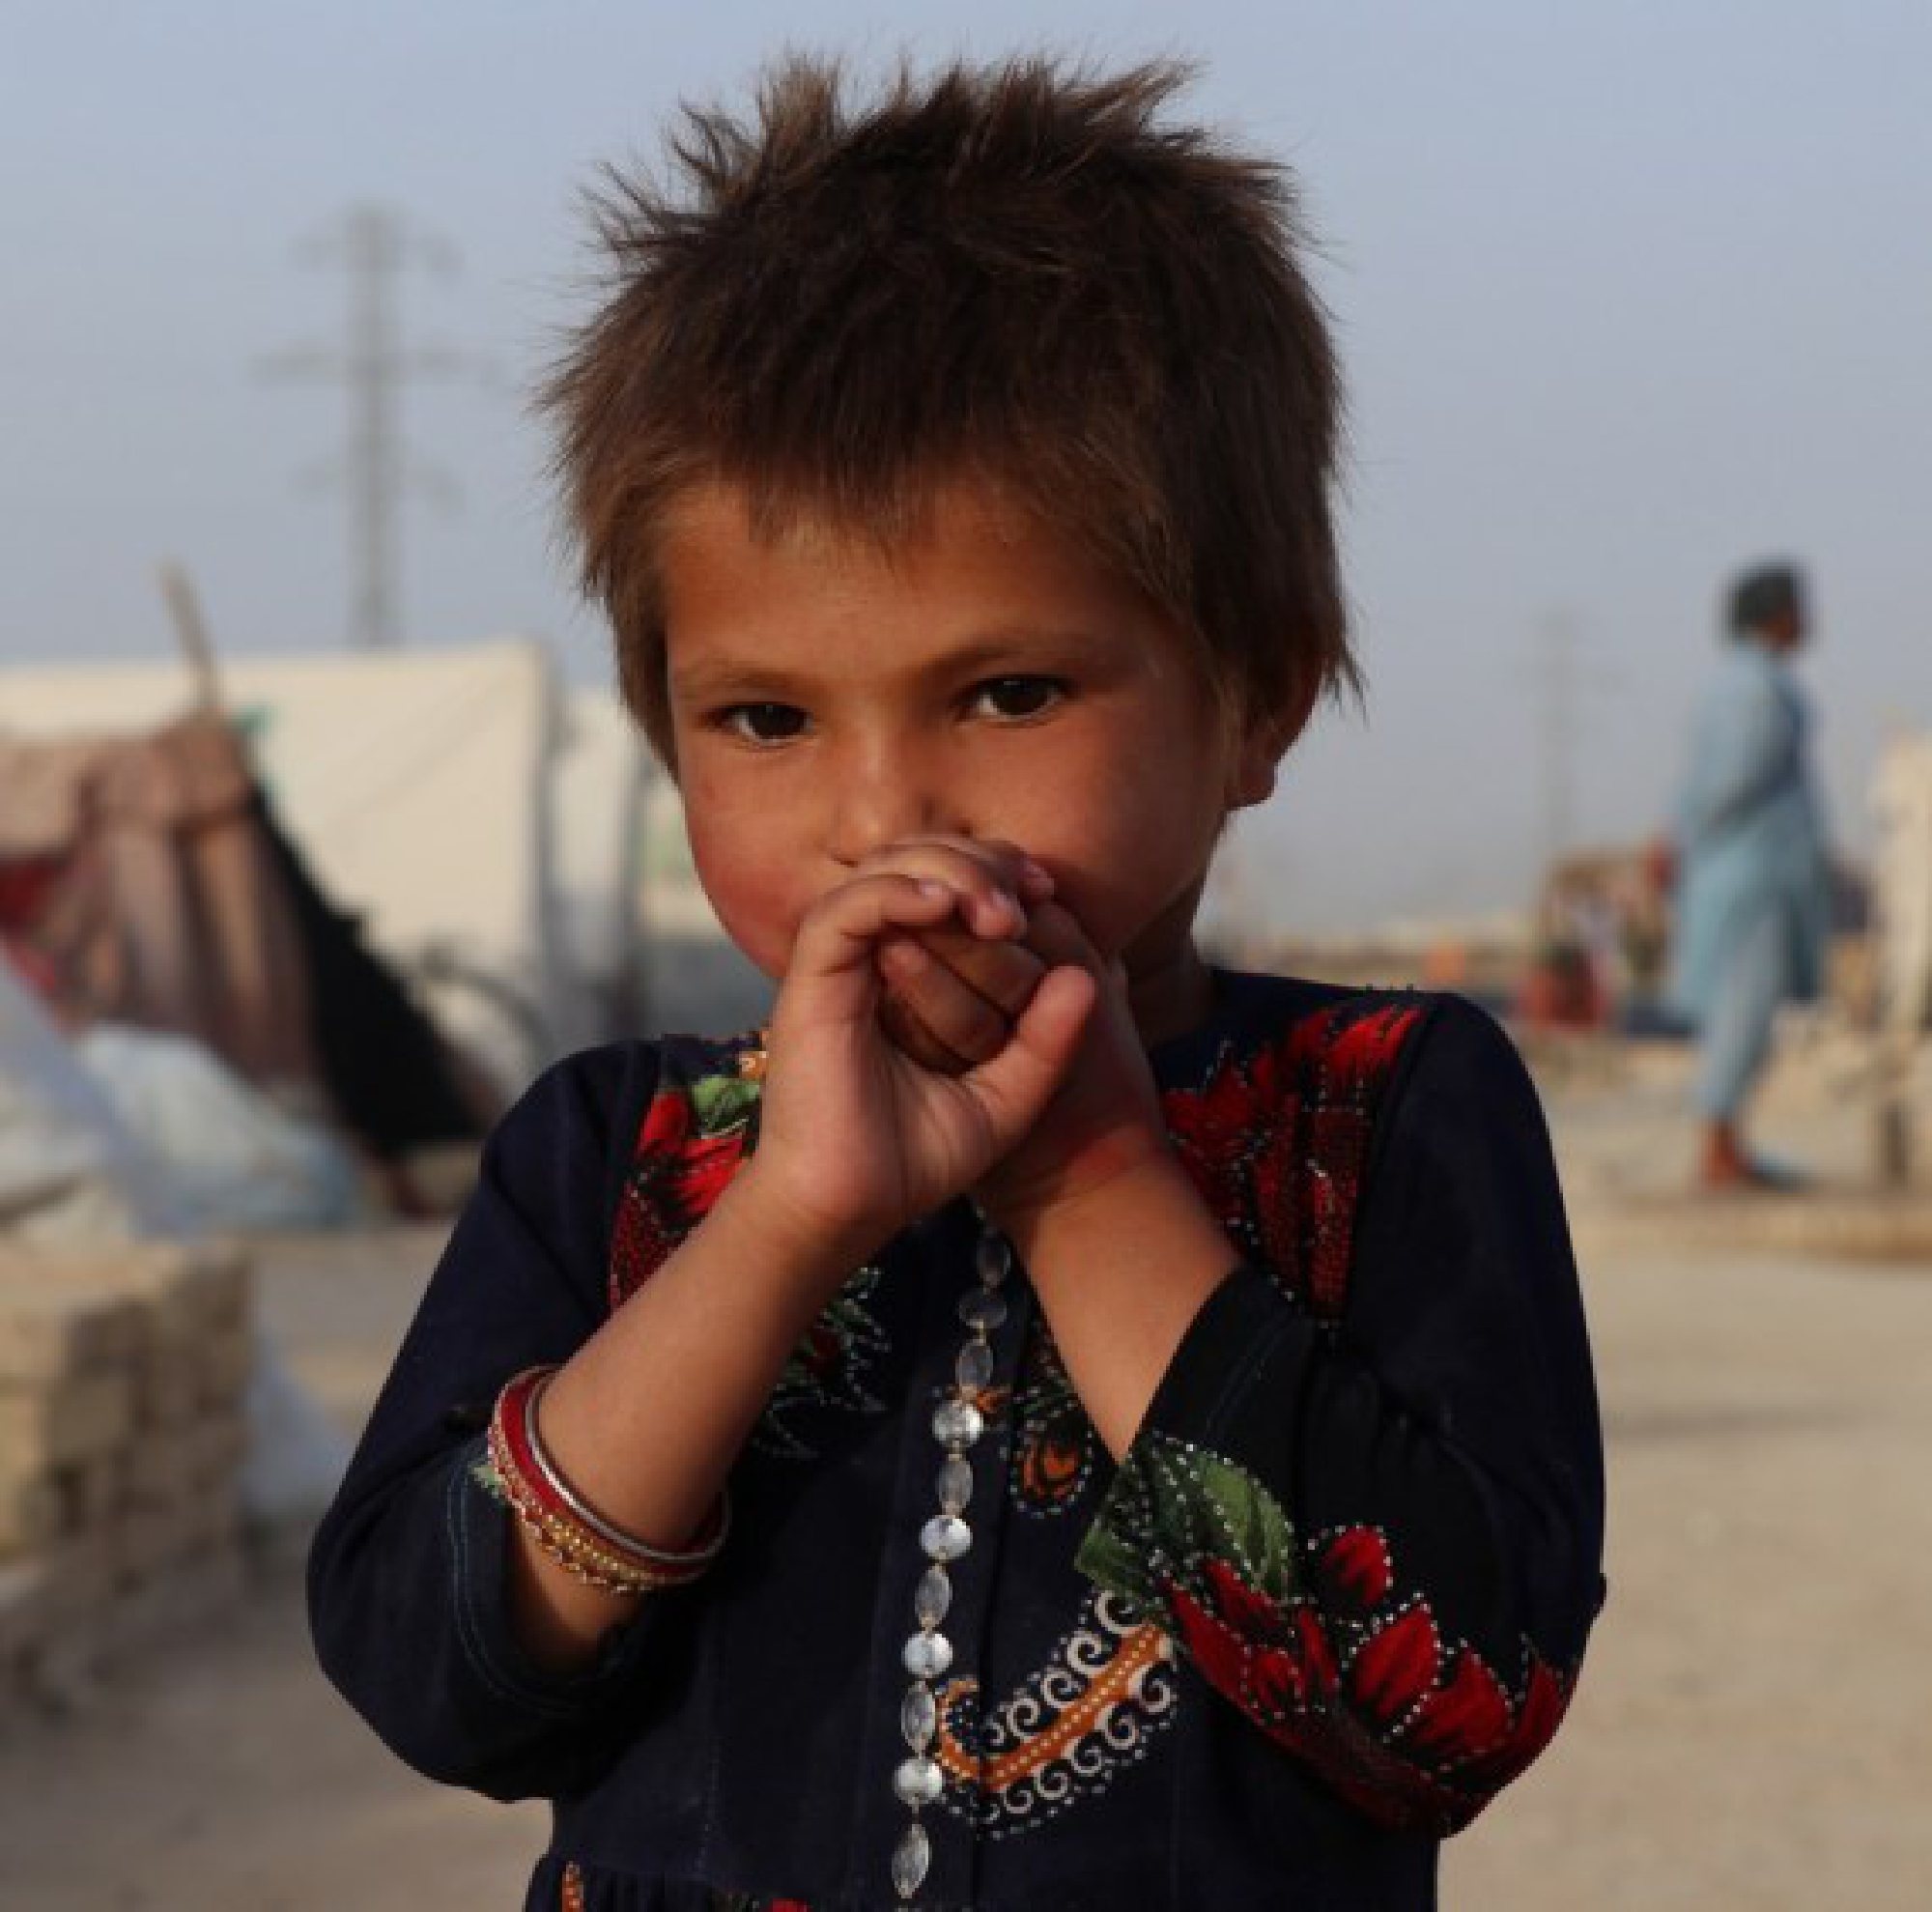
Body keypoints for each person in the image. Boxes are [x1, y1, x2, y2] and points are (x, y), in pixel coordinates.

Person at [308, 56, 1605, 1910]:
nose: (879, 815)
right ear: (663, 727)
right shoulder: (613, 1149)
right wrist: (782, 1222)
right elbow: (431, 1667)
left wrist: (1091, 1175)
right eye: (766, 717)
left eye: (1007, 692)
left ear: (1259, 695)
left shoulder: (1391, 1112)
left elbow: (1454, 1702)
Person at [1659, 562, 1833, 1189]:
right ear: (1775, 614)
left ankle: (1729, 1142)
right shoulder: (1753, 688)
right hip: (1749, 875)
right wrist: (1678, 840)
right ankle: (1717, 1146)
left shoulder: (1752, 681)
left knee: (1747, 1008)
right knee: (1744, 1006)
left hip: (1748, 870)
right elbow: (1731, 777)